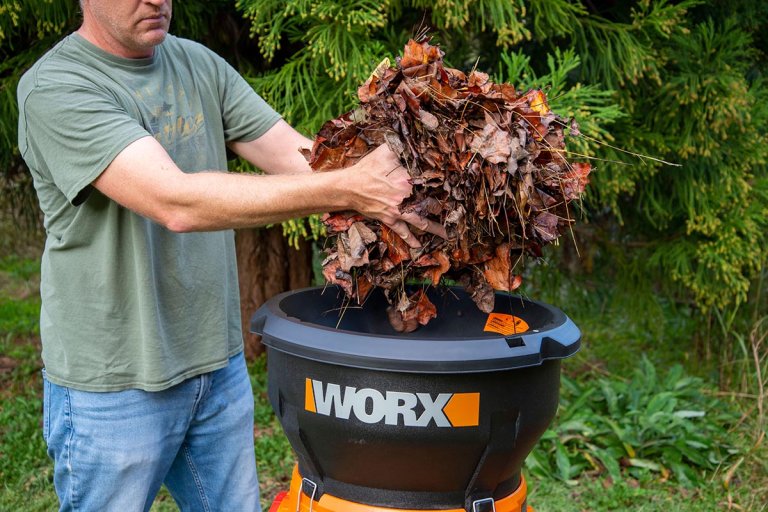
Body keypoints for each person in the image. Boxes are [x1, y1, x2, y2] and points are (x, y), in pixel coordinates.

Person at [17, 0, 443, 510]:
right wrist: (351, 188)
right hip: (115, 385)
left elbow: (297, 158)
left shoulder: (198, 64)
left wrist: (410, 193)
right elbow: (175, 202)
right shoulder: (57, 88)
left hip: (215, 368)